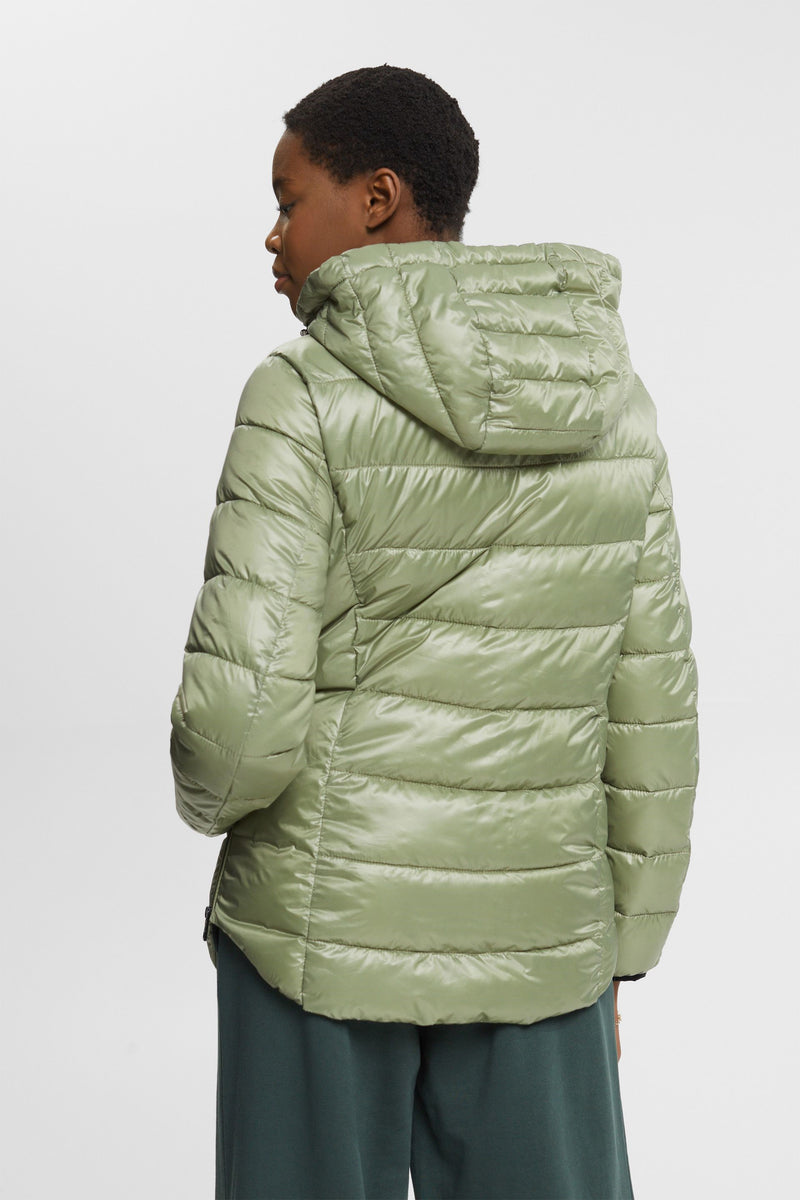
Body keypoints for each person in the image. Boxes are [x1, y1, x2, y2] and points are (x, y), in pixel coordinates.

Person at [169, 64, 699, 1200]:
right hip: (541, 942)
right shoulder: (611, 402)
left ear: (377, 198)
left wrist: (206, 805)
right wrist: (621, 949)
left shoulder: (301, 395)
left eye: (288, 199)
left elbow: (238, 728)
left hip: (316, 937)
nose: (272, 235)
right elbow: (650, 704)